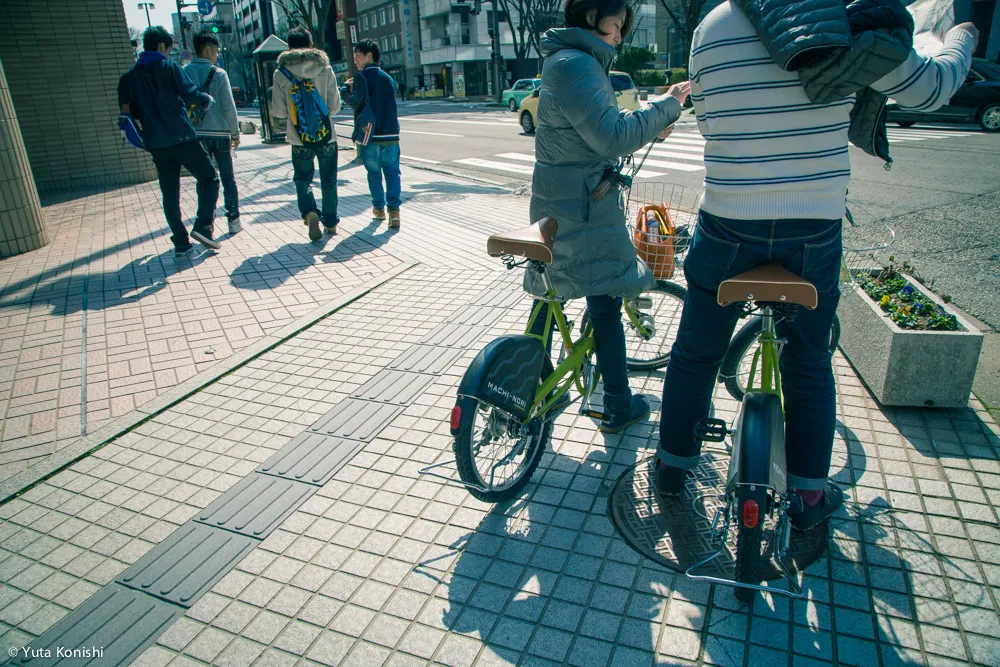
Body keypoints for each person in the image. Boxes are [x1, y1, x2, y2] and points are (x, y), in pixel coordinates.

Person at [654, 0, 978, 531]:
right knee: (808, 361)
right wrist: (961, 35)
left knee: (695, 353)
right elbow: (933, 89)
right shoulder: (845, 18)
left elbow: (709, 122)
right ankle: (807, 498)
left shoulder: (710, 26)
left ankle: (671, 467)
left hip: (728, 223)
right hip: (813, 225)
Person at [524, 0, 689, 433]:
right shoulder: (578, 64)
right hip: (581, 207)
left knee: (550, 290)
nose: (618, 38)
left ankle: (528, 381)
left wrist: (650, 123)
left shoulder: (567, 60)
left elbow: (595, 129)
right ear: (592, 17)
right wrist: (667, 107)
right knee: (605, 297)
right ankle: (617, 404)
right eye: (615, 27)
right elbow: (612, 136)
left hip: (560, 199)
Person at [118, 26, 222, 255]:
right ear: (162, 46)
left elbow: (128, 114)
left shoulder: (128, 79)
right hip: (183, 136)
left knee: (169, 193)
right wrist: (206, 99)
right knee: (209, 178)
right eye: (168, 48)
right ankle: (203, 225)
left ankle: (181, 243)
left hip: (156, 143)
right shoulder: (168, 67)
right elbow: (190, 94)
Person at [271, 27, 342, 239]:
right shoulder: (325, 68)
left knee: (303, 179)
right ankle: (330, 222)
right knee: (328, 180)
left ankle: (310, 212)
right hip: (326, 136)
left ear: (289, 47)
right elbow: (335, 107)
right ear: (310, 45)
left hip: (298, 138)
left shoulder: (280, 73)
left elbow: (280, 111)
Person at [185, 30, 242, 235]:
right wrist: (235, 133)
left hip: (197, 135)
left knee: (204, 179)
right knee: (228, 177)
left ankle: (206, 221)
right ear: (208, 49)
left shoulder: (184, 72)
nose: (217, 54)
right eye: (216, 50)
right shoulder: (219, 73)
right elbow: (228, 107)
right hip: (220, 134)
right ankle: (233, 220)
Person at [348, 39, 402, 229]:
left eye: (358, 55)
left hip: (369, 136)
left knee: (374, 174)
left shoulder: (361, 78)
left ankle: (379, 209)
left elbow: (356, 102)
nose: (355, 59)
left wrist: (345, 89)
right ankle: (394, 213)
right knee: (393, 174)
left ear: (369, 55)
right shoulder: (388, 79)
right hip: (391, 135)